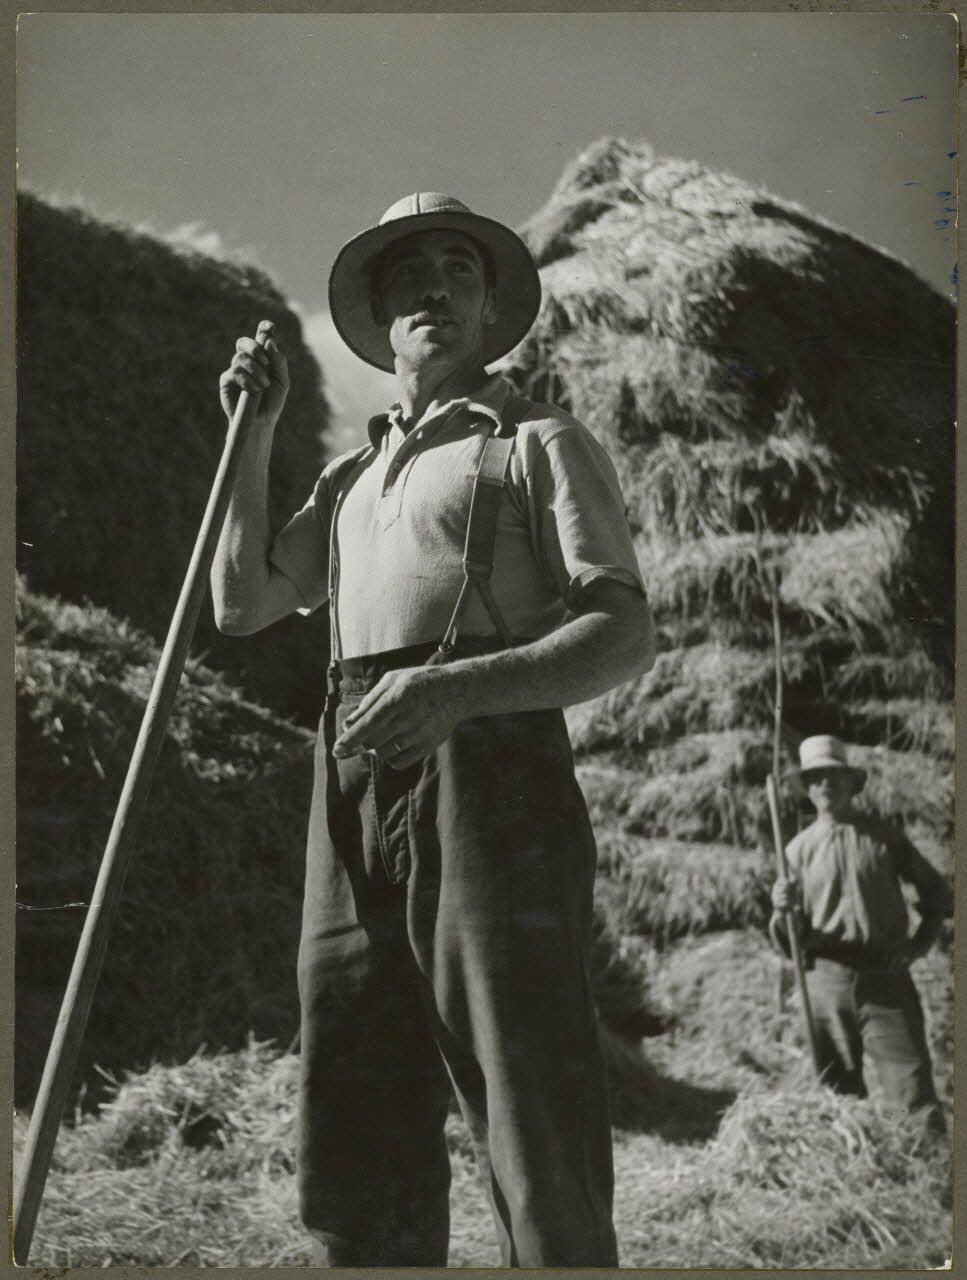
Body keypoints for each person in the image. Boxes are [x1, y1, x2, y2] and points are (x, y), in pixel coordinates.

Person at [211, 192, 656, 1266]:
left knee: (523, 1079)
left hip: (490, 767)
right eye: (410, 274)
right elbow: (241, 604)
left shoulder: (535, 439)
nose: (435, 291)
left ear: (490, 307)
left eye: (460, 271)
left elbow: (623, 634)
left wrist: (458, 690)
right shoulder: (349, 477)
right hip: (352, 766)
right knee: (351, 1070)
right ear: (380, 313)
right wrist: (254, 431)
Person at [769, 734, 951, 1135]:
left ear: (852, 783)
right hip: (826, 982)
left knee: (910, 1091)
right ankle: (861, 1158)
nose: (826, 785)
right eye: (816, 777)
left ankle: (915, 1152)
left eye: (835, 776)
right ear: (807, 788)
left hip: (885, 976)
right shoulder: (796, 852)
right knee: (839, 1096)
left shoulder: (885, 838)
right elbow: (787, 940)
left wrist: (918, 945)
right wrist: (782, 910)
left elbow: (937, 893)